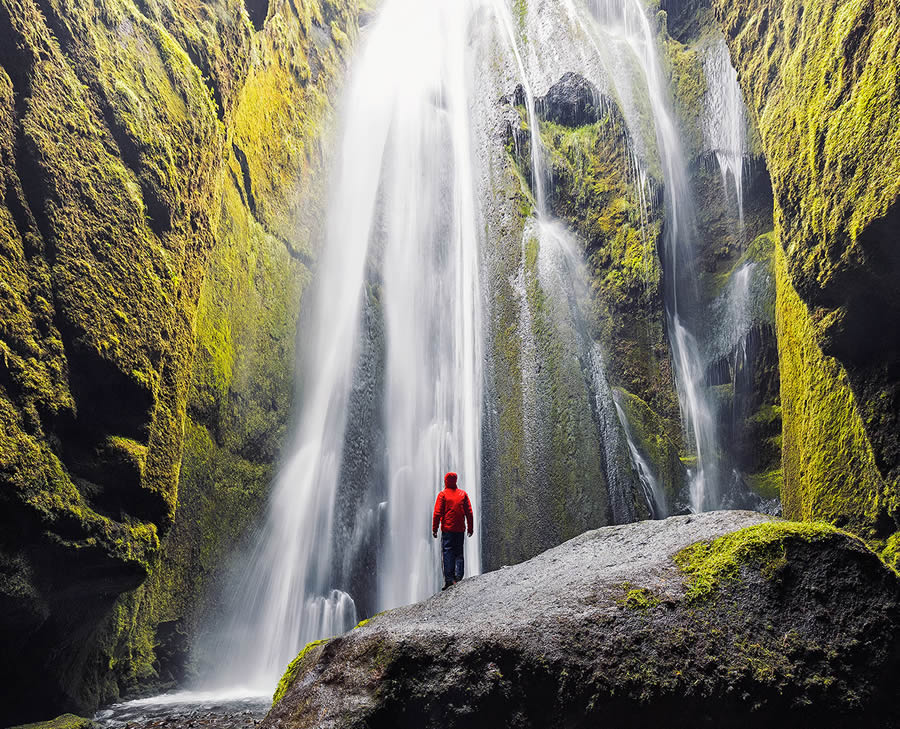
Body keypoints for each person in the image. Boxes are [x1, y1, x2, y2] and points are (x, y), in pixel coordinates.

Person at [432, 471, 474, 591]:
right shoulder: (463, 494)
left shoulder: (443, 495)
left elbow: (437, 513)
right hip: (460, 529)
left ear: (445, 481)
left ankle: (449, 579)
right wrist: (470, 528)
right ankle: (459, 576)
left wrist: (434, 529)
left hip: (448, 529)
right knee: (459, 553)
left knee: (447, 552)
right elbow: (469, 513)